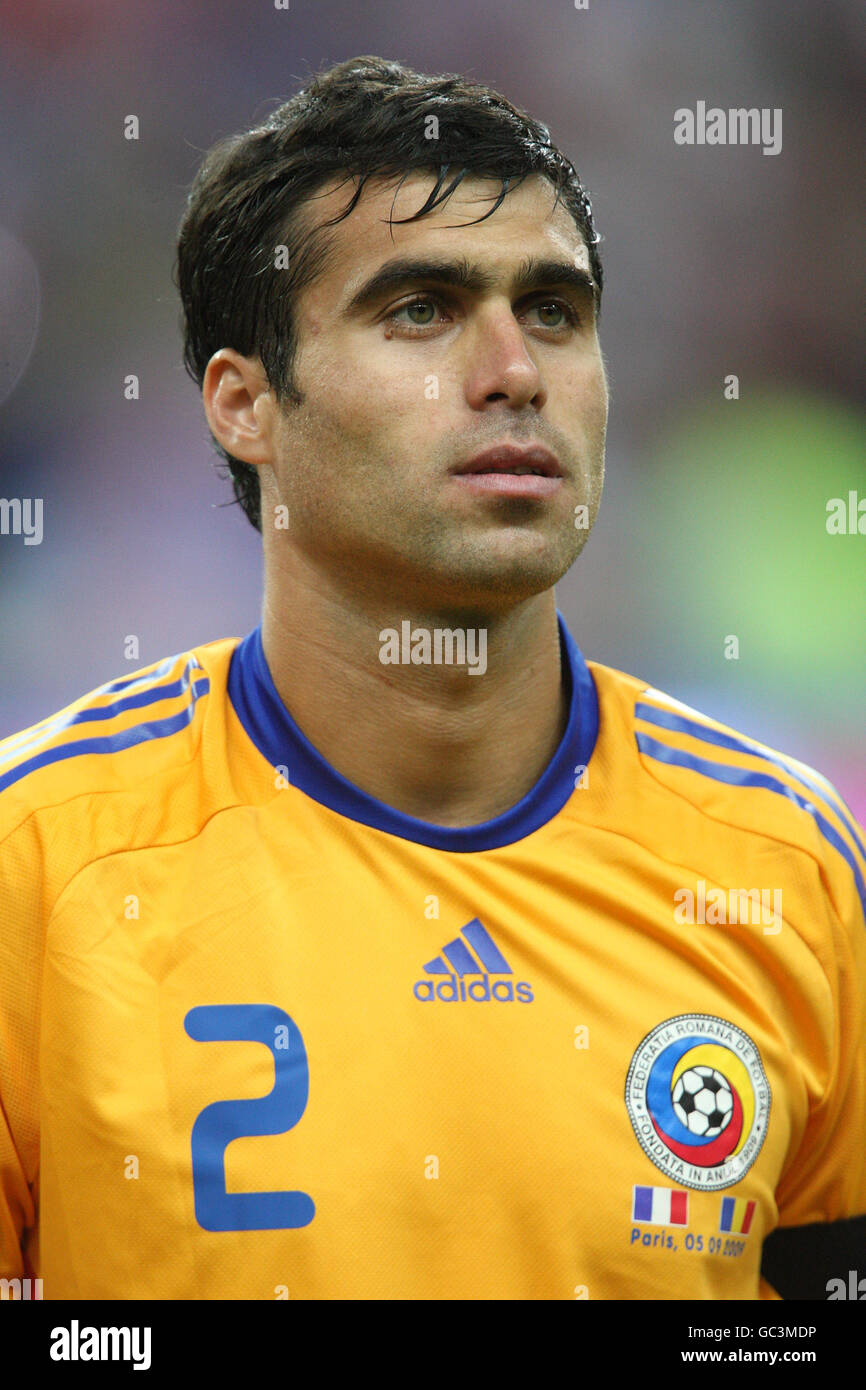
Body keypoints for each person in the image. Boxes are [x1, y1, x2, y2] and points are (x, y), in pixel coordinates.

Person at [1, 55, 863, 1302]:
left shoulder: (781, 869)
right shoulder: (38, 873)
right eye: (420, 309)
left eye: (555, 312)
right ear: (244, 405)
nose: (515, 370)